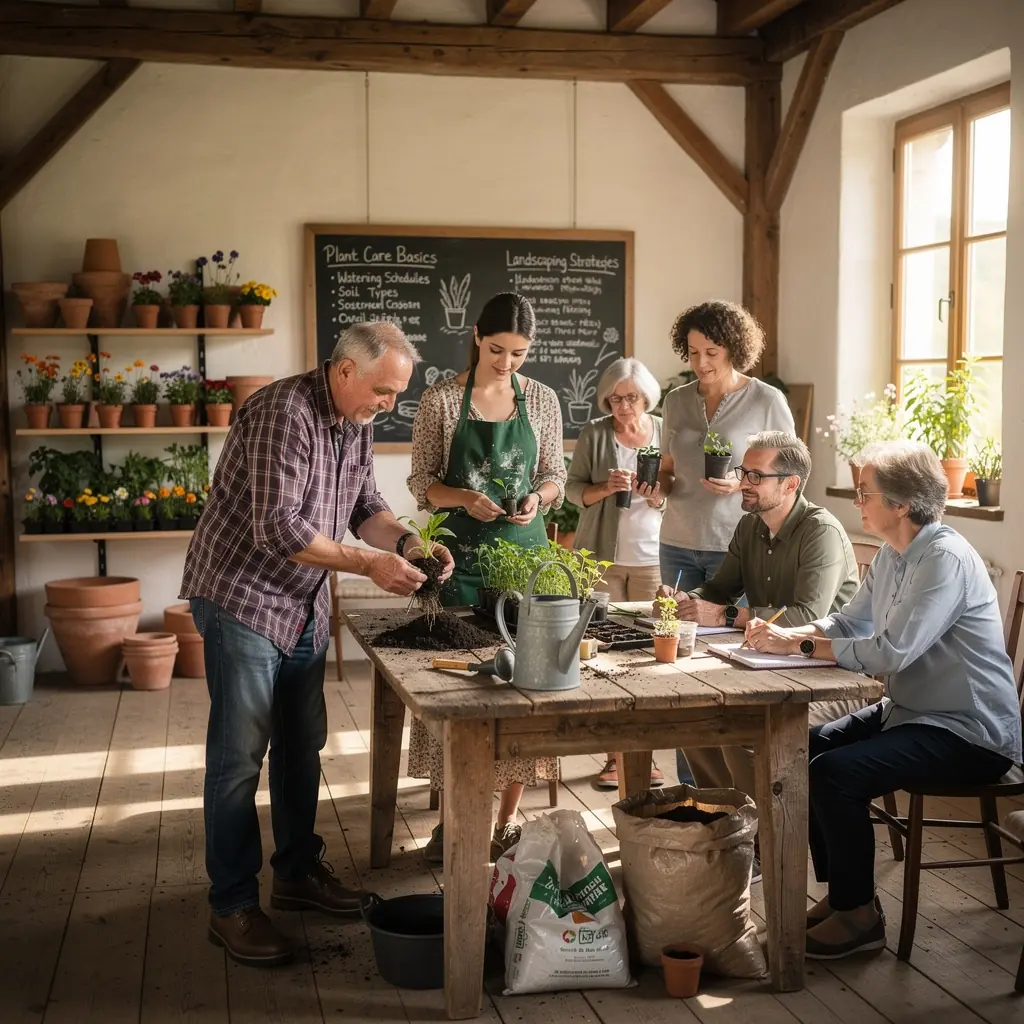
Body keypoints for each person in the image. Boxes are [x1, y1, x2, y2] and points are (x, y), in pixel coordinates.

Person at [179, 321, 454, 968]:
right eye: (384, 390)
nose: (389, 403)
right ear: (344, 369)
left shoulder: (354, 418)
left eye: (396, 393)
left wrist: (409, 544)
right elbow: (279, 528)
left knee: (302, 743)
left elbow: (365, 505)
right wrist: (370, 565)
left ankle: (297, 872)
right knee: (239, 756)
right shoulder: (283, 413)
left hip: (300, 598)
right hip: (242, 595)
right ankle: (231, 905)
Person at [746, 440, 1022, 959]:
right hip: (912, 713)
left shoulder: (944, 559)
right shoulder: (893, 555)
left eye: (864, 492)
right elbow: (849, 622)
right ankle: (844, 898)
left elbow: (891, 652)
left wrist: (799, 646)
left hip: (970, 732)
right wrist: (789, 634)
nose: (857, 502)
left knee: (834, 774)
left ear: (901, 504)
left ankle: (859, 918)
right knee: (802, 749)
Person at [407, 292, 567, 865]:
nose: (506, 363)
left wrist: (538, 498)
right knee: (456, 691)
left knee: (524, 690)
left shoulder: (542, 400)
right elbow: (421, 481)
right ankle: (453, 822)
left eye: (519, 354)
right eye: (497, 349)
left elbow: (555, 474)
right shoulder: (441, 400)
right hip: (457, 561)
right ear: (476, 336)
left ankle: (504, 823)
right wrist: (463, 498)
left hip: (524, 560)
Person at [663, 431, 862, 880]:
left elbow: (809, 616)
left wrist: (725, 614)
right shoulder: (750, 526)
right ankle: (727, 828)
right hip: (773, 667)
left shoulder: (821, 531)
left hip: (835, 675)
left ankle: (759, 843)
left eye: (756, 475)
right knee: (694, 720)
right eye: (744, 472)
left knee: (743, 727)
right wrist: (686, 600)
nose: (743, 482)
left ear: (791, 483)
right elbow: (719, 589)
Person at [566, 356, 666, 790]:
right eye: (615, 399)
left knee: (650, 655)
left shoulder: (664, 431)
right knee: (604, 654)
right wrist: (606, 487)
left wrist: (658, 497)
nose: (623, 407)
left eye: (631, 398)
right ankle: (614, 758)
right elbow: (572, 491)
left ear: (646, 397)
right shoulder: (595, 433)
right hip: (601, 558)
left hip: (655, 558)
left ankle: (646, 758)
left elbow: (677, 492)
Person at [658, 301, 795, 591]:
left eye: (711, 353)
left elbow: (792, 471)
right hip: (675, 544)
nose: (701, 363)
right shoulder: (675, 401)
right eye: (693, 353)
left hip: (737, 543)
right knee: (676, 621)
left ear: (734, 349)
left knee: (730, 623)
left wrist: (742, 481)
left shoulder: (766, 400)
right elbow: (667, 470)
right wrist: (653, 490)